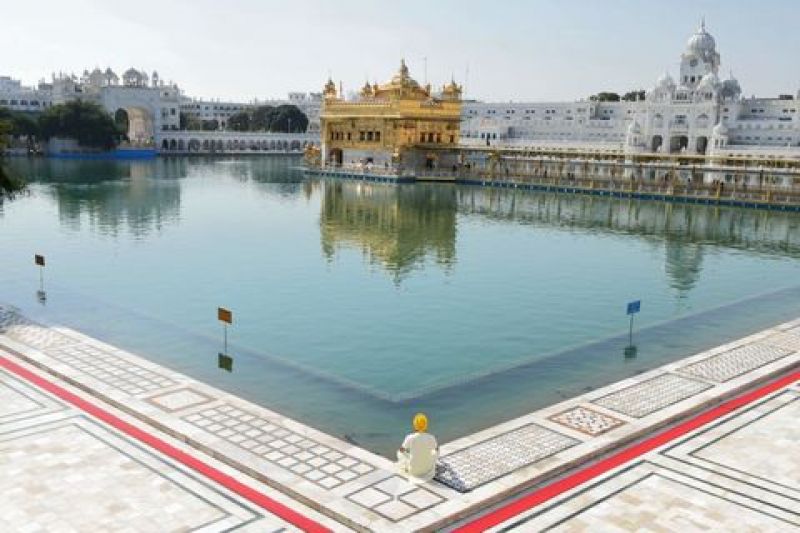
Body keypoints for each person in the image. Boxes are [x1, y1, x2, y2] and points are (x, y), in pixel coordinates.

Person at [397, 413, 438, 481]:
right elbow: (436, 450)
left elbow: (401, 450)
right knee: (435, 451)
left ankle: (407, 466)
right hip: (427, 469)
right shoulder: (431, 437)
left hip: (413, 470)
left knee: (399, 452)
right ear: (426, 425)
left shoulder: (410, 437)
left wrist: (408, 452)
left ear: (415, 425)